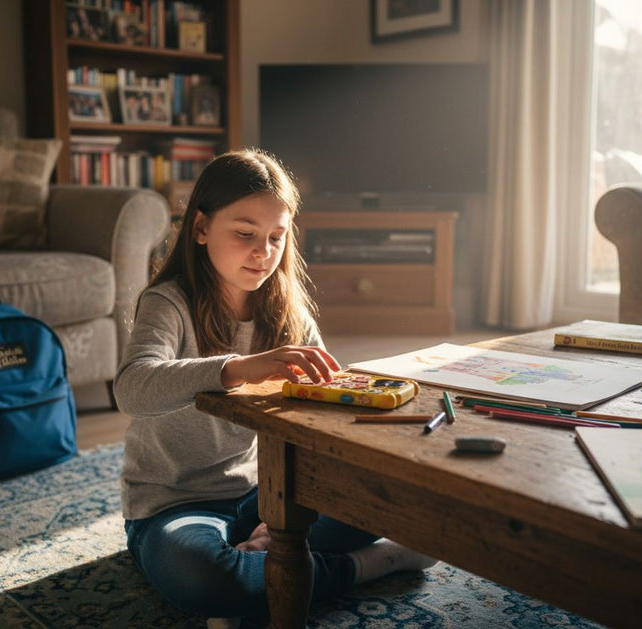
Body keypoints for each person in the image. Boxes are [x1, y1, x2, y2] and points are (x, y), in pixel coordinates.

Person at [115, 149, 436, 628]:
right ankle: (369, 565)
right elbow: (132, 388)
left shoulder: (287, 310)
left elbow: (324, 412)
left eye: (276, 237)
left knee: (402, 500)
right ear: (200, 228)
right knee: (207, 580)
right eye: (244, 234)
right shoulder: (169, 302)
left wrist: (276, 527)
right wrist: (238, 369)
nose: (263, 252)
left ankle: (263, 565)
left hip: (269, 496)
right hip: (176, 506)